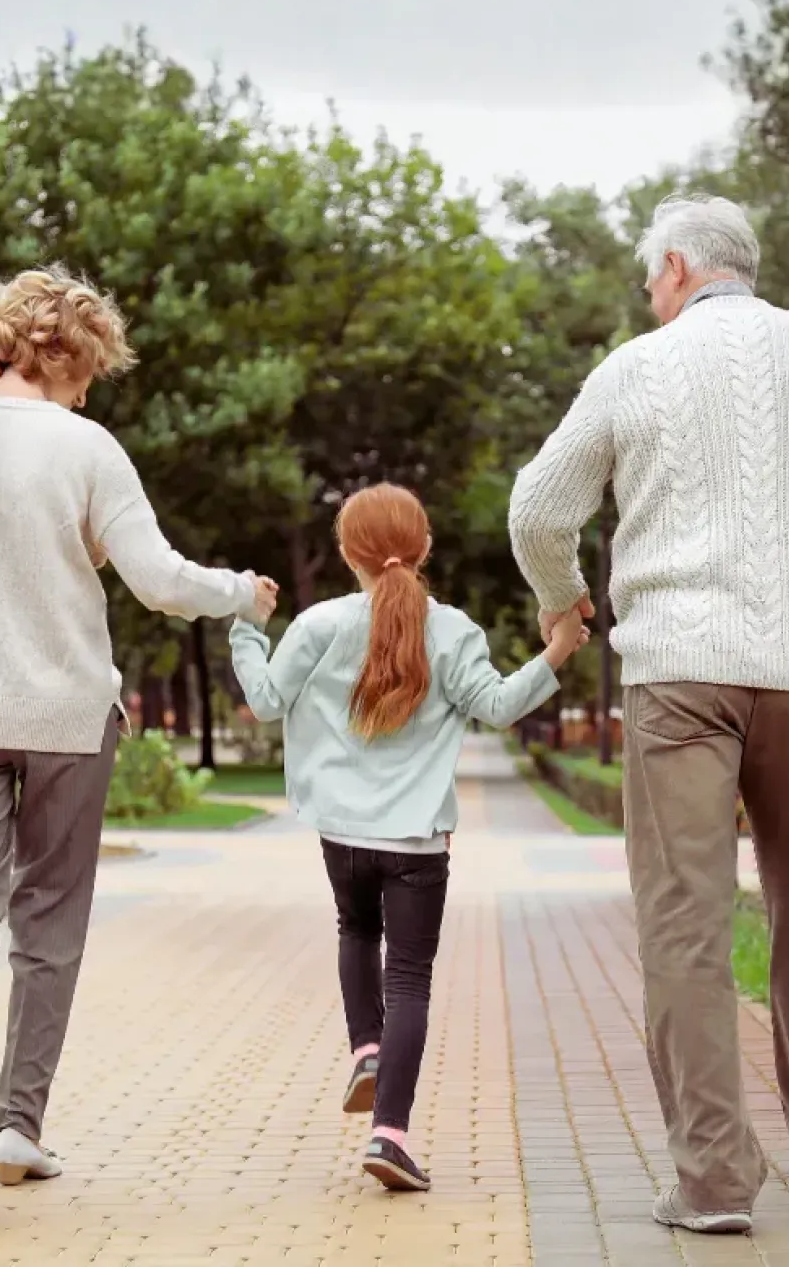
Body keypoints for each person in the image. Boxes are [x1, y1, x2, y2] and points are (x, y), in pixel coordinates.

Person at [0, 265, 278, 1221]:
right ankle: (18, 1125)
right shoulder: (87, 447)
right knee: (48, 922)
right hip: (64, 718)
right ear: (69, 358)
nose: (92, 389)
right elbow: (159, 582)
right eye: (91, 367)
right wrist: (241, 593)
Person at [508, 194, 789, 1235]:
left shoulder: (636, 367)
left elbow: (539, 507)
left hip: (681, 675)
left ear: (681, 267)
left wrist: (560, 599)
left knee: (685, 923)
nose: (652, 295)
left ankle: (712, 1182)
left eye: (653, 277)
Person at [230, 483, 587, 1191]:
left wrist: (245, 627)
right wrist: (560, 649)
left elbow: (265, 701)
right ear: (422, 548)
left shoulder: (320, 624)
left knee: (355, 932)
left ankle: (367, 1048)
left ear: (345, 553)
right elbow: (498, 706)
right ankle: (388, 1135)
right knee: (411, 979)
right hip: (417, 843)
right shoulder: (452, 629)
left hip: (342, 834)